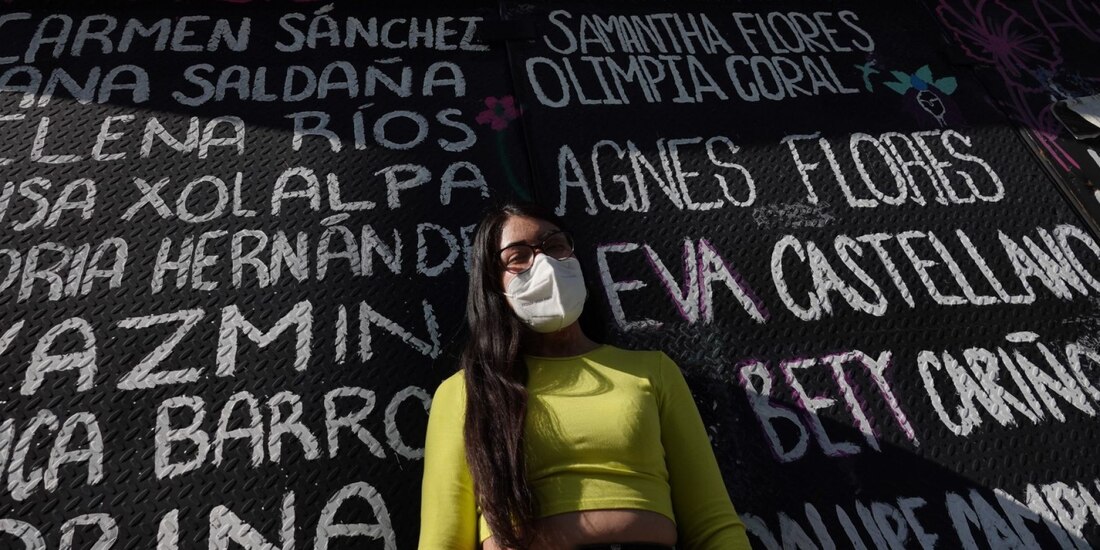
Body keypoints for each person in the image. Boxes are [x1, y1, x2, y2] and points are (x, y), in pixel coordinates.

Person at [418, 201, 752, 550]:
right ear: (493, 285)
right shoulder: (467, 392)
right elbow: (442, 541)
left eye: (554, 245)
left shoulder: (652, 371)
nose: (544, 263)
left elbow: (713, 524)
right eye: (518, 257)